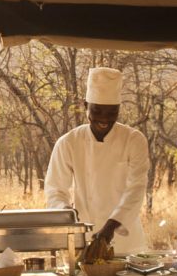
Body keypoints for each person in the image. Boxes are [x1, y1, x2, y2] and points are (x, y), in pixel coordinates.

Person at [44, 66, 150, 259]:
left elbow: (136, 189)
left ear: (119, 109)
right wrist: (66, 213)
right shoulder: (69, 142)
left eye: (111, 113)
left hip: (126, 241)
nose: (103, 118)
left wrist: (110, 227)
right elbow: (55, 190)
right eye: (97, 110)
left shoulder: (134, 140)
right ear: (86, 106)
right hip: (83, 240)